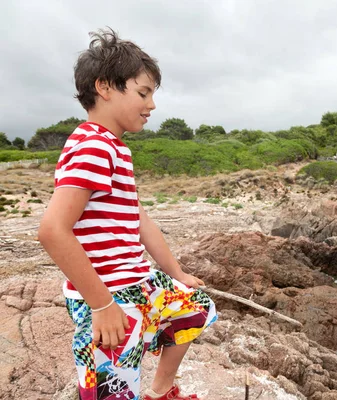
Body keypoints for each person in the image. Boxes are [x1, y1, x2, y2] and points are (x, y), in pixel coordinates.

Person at [38, 27, 217, 400]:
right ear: (104, 87)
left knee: (196, 309)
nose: (151, 105)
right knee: (115, 389)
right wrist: (101, 305)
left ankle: (162, 390)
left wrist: (177, 273)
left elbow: (139, 220)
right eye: (143, 93)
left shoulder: (114, 147)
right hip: (109, 295)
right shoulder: (92, 147)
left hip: (139, 283)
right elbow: (53, 231)